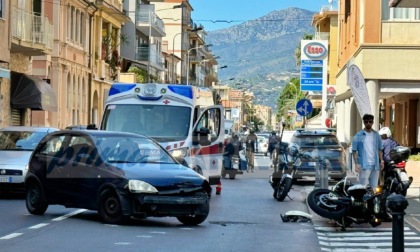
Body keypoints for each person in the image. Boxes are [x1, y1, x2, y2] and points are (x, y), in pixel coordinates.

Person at [352, 114, 384, 188]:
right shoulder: (358, 135)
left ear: (372, 122)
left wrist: (381, 161)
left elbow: (380, 149)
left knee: (374, 188)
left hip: (375, 165)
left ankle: (372, 199)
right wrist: (356, 164)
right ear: (364, 123)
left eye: (370, 121)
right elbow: (354, 151)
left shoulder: (376, 135)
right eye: (366, 122)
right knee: (362, 187)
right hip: (364, 166)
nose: (368, 123)